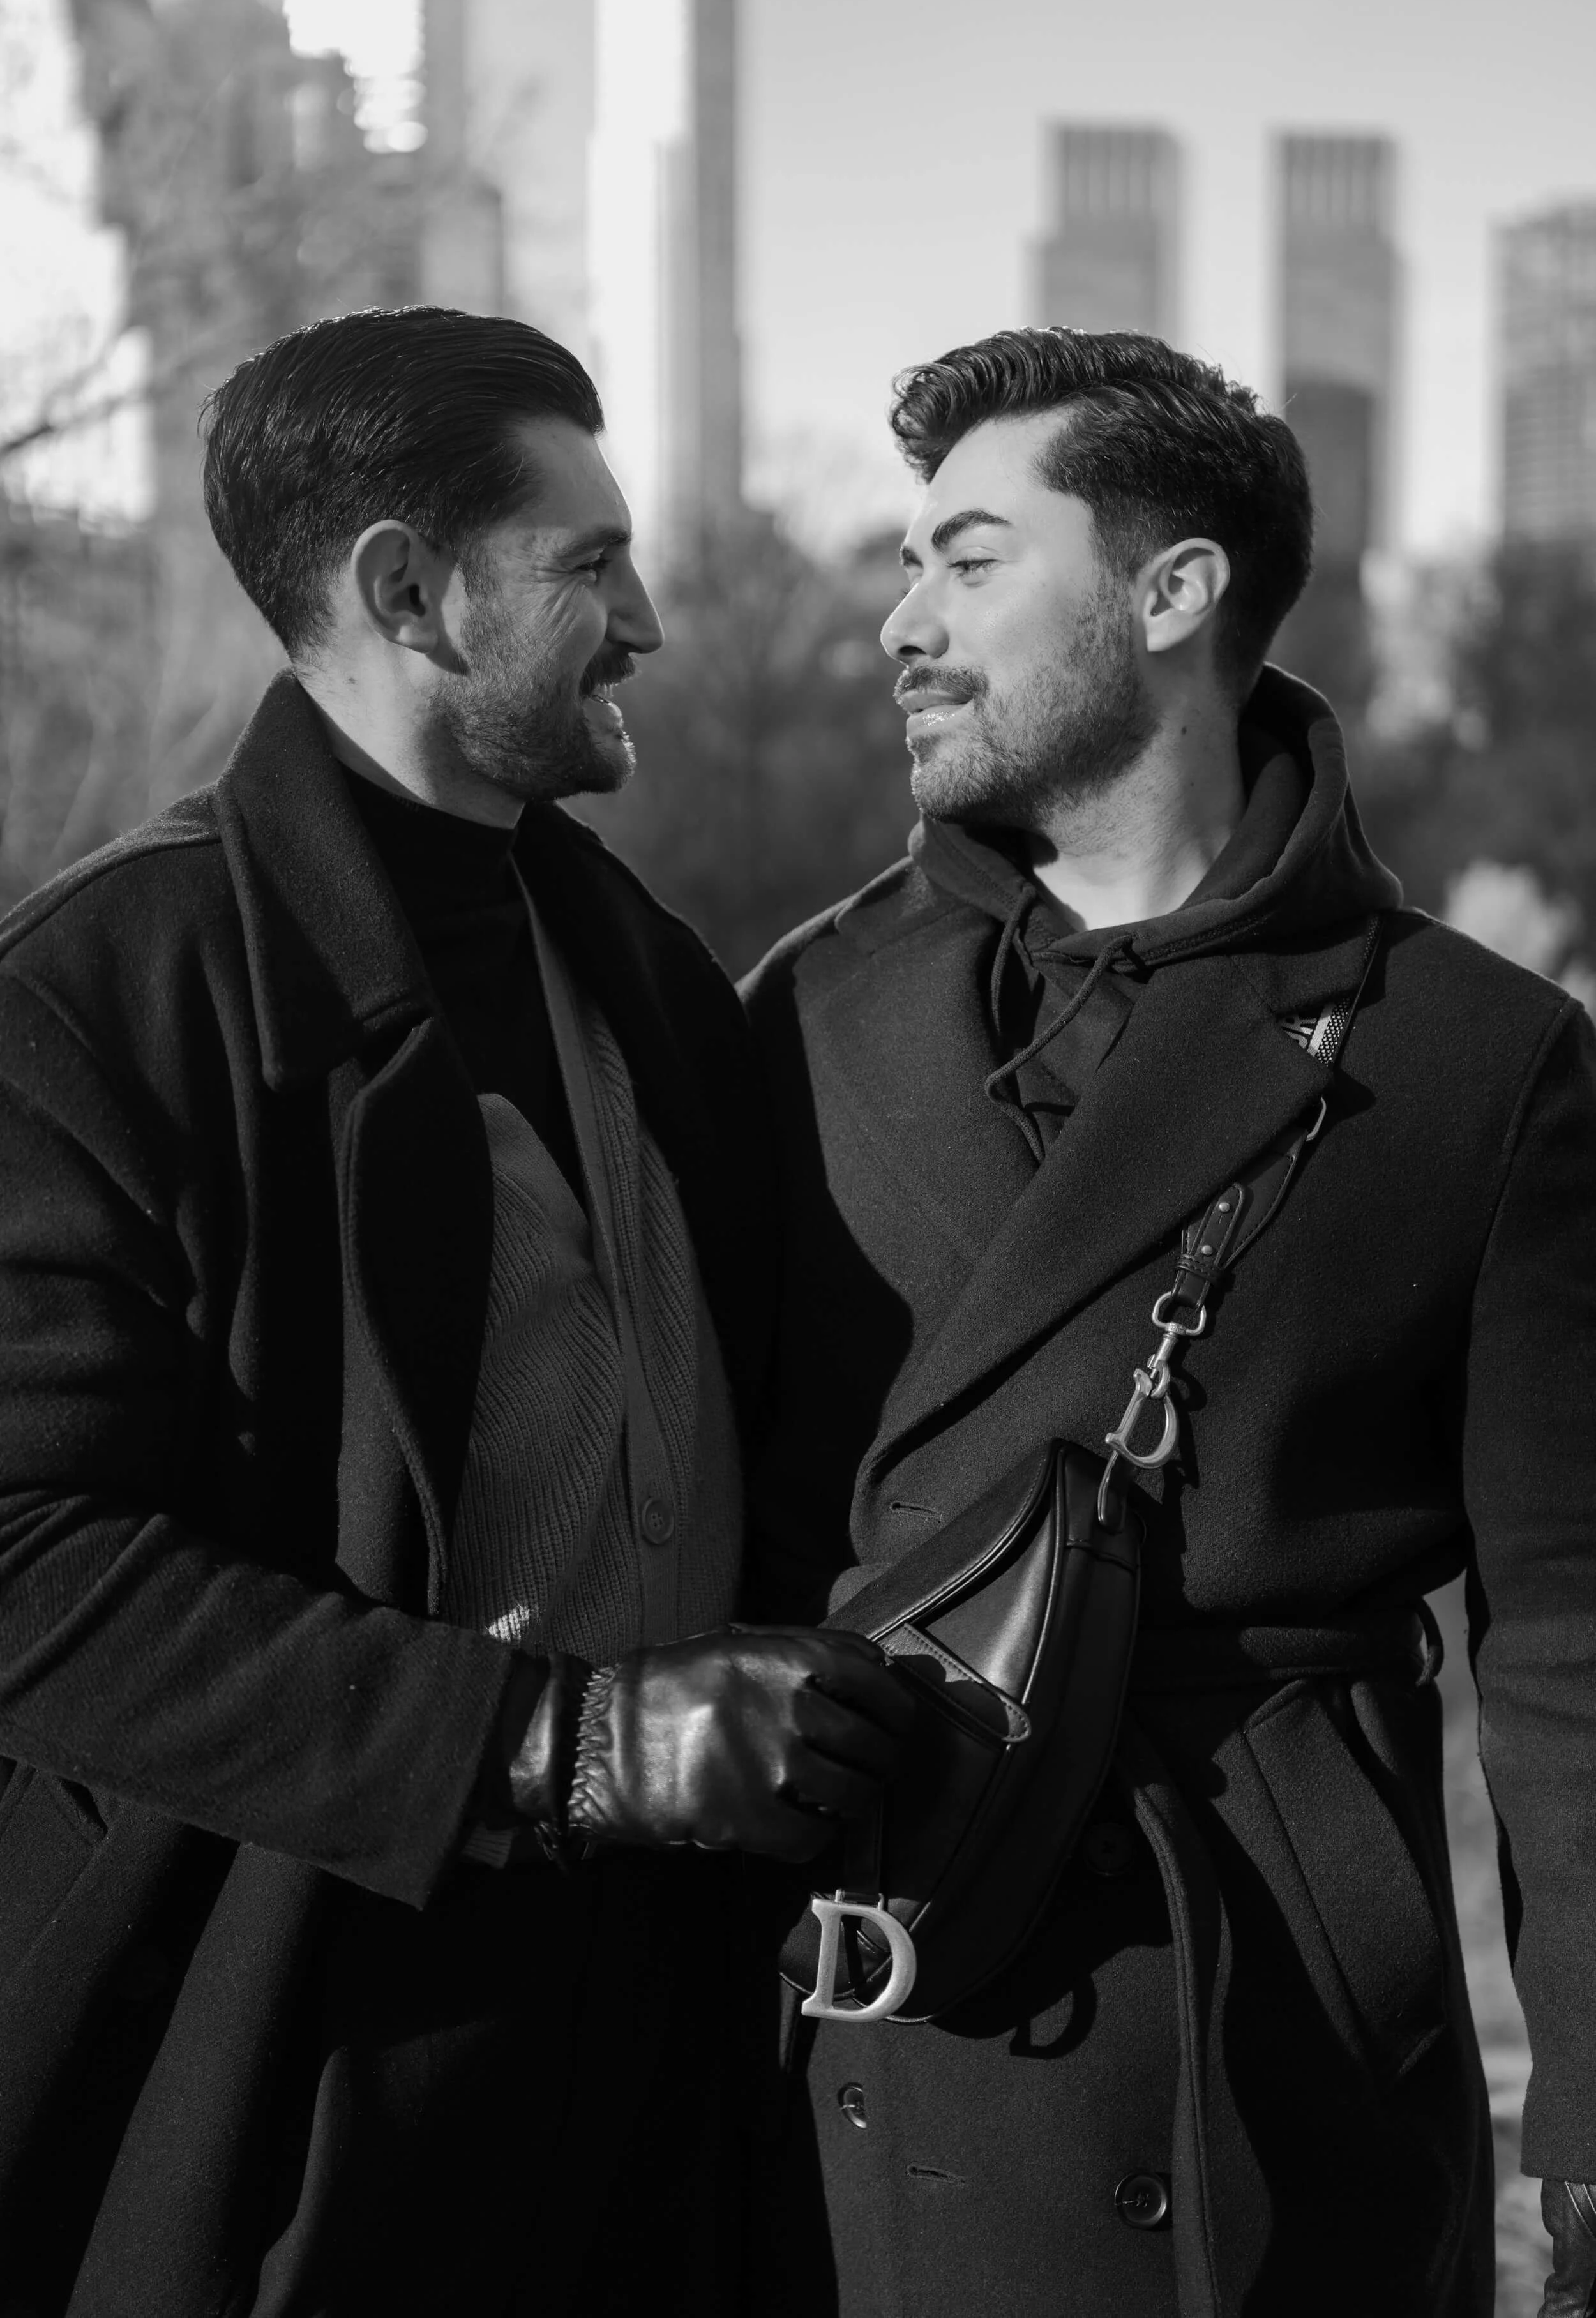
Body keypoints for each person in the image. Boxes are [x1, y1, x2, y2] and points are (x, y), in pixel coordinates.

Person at [0, 305, 912, 2318]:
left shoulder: (651, 975)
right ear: (408, 592)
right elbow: (24, 1564)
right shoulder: (92, 998)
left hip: (669, 2077)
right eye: (589, 564)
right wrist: (554, 1743)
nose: (646, 621)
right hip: (283, 2072)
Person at [742, 326, 1596, 2317]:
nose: (900, 624)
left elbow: (1569, 1634)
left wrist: (1587, 2119)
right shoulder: (803, 1013)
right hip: (882, 1992)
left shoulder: (1470, 1057)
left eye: (968, 562)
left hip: (1275, 2044)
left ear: (1172, 589)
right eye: (907, 565)